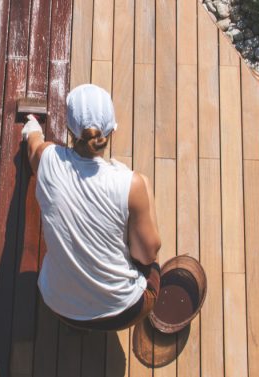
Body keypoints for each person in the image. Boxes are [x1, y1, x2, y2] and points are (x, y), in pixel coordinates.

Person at [21, 84, 162, 332]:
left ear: (69, 130)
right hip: (124, 311)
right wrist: (144, 189)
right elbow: (147, 255)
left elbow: (33, 144)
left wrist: (32, 124)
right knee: (150, 250)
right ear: (111, 131)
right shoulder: (131, 183)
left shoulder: (47, 160)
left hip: (59, 306)